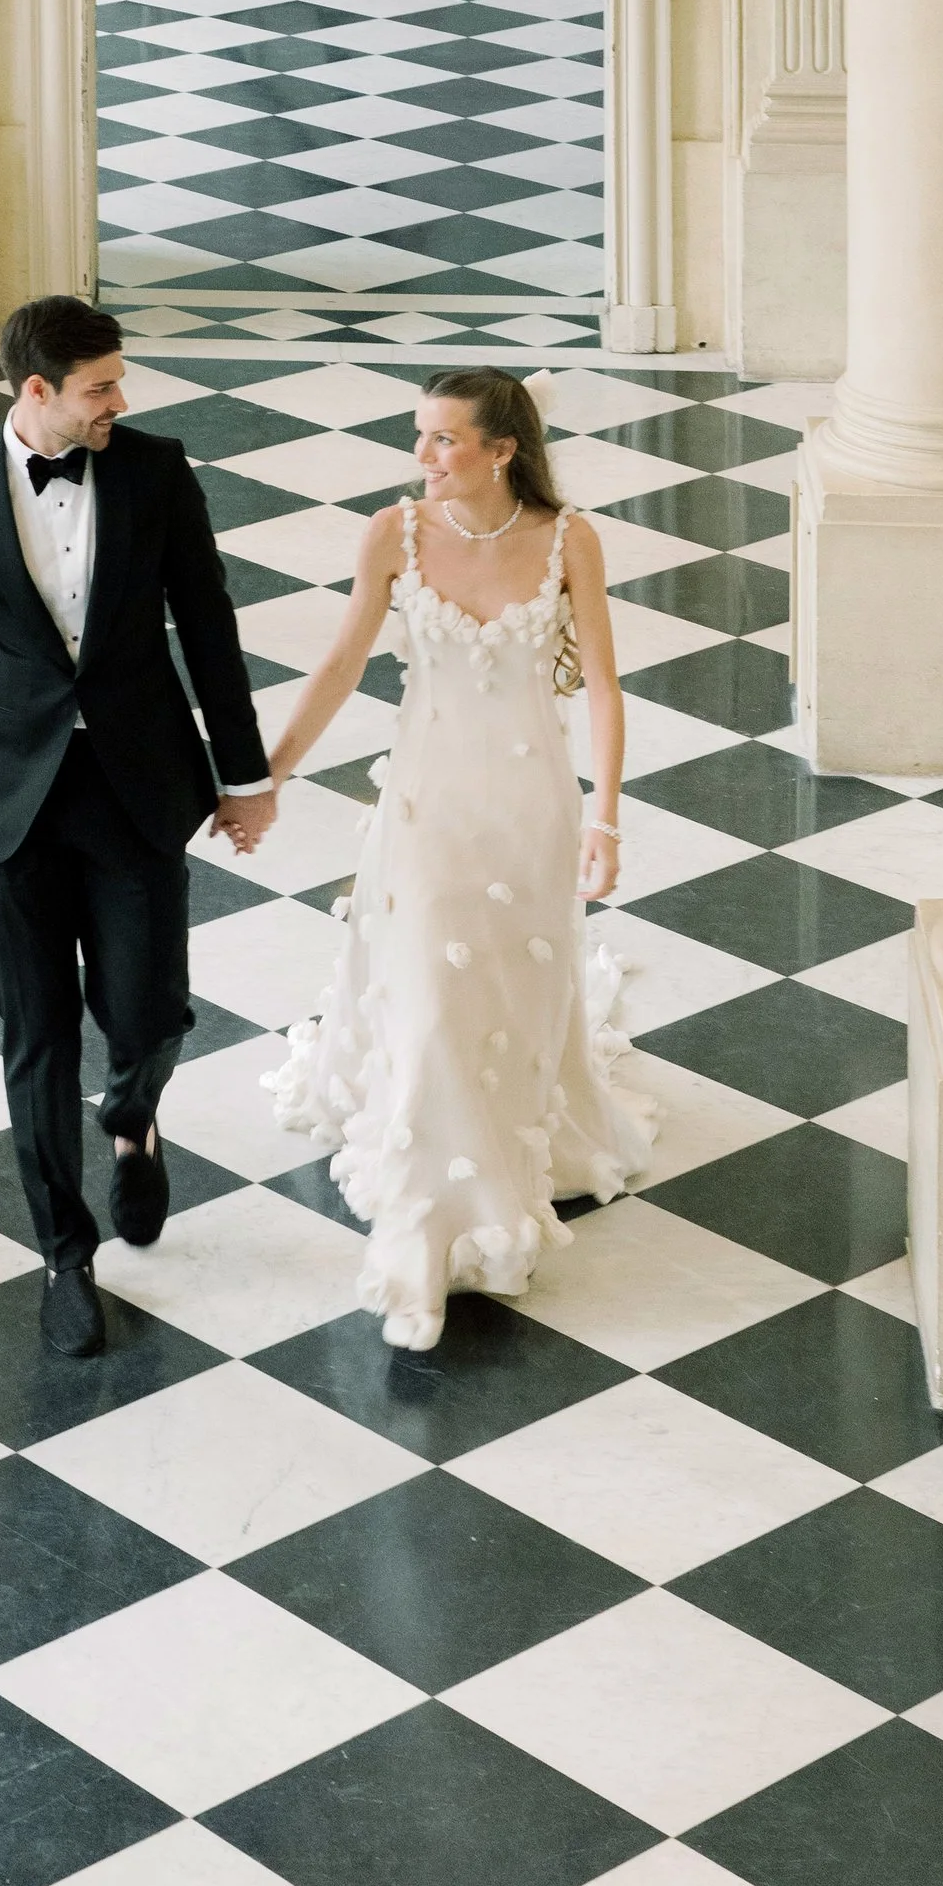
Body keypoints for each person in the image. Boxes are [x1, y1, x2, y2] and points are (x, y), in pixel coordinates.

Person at [0, 298, 277, 1355]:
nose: (121, 400)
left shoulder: (156, 469)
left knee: (150, 1014)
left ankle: (134, 1116)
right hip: (11, 801)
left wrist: (245, 774)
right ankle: (64, 1251)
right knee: (37, 1038)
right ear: (38, 392)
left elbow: (208, 625)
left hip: (137, 783)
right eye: (102, 386)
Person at [263, 368, 655, 1350]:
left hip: (528, 808)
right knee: (434, 1000)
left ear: (500, 450)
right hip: (425, 805)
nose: (424, 457)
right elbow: (344, 661)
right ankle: (427, 1237)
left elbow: (602, 690)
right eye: (420, 437)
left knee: (507, 999)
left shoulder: (570, 540)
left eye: (444, 440)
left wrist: (602, 818)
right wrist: (265, 772)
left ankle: (497, 1156)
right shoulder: (392, 533)